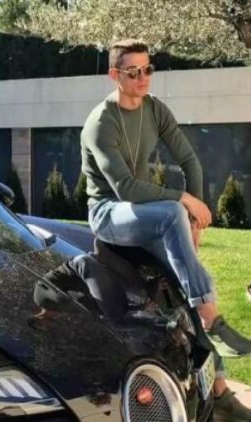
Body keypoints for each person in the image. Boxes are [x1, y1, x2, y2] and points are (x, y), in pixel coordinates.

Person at [80, 38, 251, 421]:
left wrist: (195, 218)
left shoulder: (154, 109)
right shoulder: (100, 124)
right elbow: (125, 189)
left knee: (188, 277)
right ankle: (210, 314)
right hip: (109, 214)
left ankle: (219, 391)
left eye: (148, 69)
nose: (143, 78)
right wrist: (185, 203)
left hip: (147, 213)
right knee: (175, 214)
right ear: (114, 75)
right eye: (133, 72)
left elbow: (190, 158)